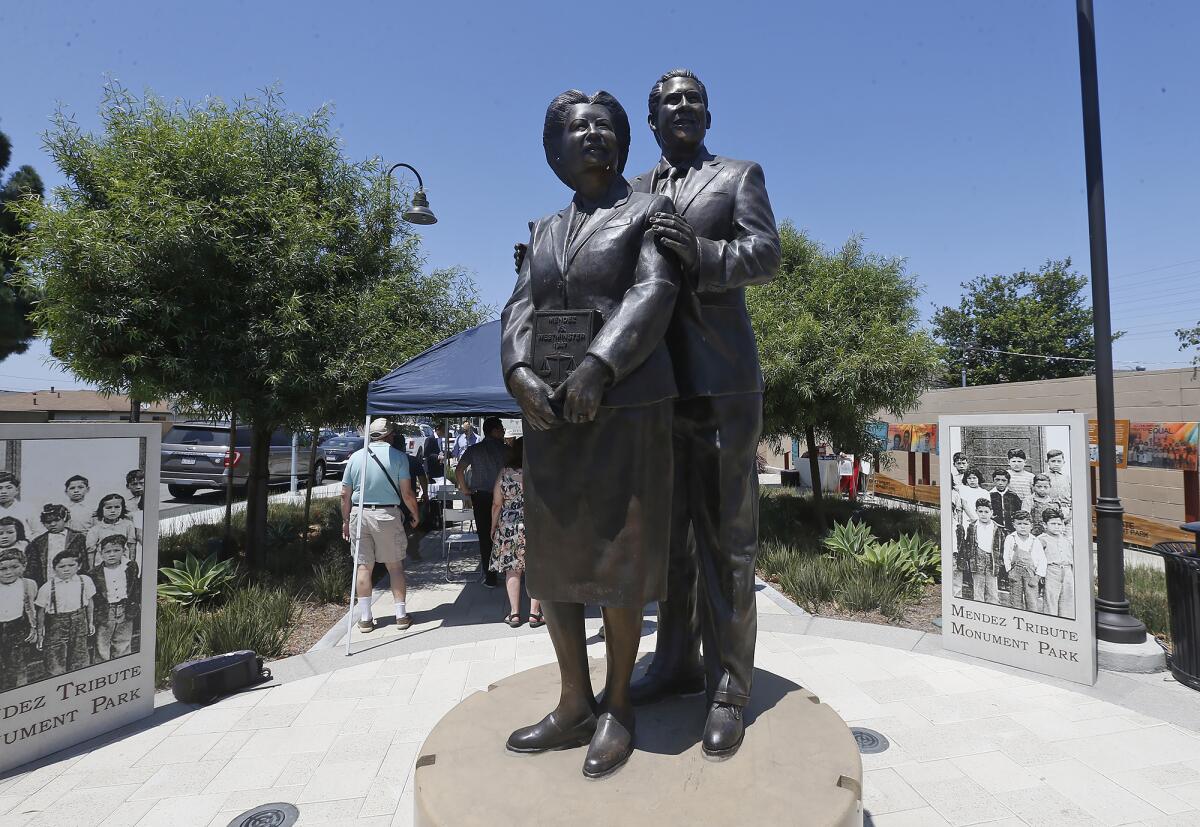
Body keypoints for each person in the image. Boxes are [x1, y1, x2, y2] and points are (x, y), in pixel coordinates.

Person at [501, 88, 680, 778]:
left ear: (622, 142)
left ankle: (617, 705)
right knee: (557, 561)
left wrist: (601, 365)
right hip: (551, 415)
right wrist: (518, 371)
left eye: (606, 125)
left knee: (618, 562)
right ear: (555, 151)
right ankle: (573, 699)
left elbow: (654, 291)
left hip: (627, 405)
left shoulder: (647, 210)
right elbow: (520, 305)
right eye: (578, 127)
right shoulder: (544, 228)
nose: (594, 134)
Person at [624, 68, 780, 759]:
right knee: (669, 544)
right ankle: (675, 660)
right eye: (670, 102)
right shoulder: (633, 192)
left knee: (726, 542)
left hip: (721, 384)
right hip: (656, 387)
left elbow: (766, 253)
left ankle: (728, 685)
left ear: (708, 116)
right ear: (652, 121)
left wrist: (706, 254)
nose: (684, 107)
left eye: (694, 99)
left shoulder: (739, 175)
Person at [341, 418, 420, 633]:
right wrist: (415, 513)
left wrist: (346, 521)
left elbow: (344, 495)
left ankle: (365, 618)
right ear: (390, 435)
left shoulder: (355, 458)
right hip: (387, 514)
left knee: (364, 567)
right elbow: (407, 493)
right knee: (394, 566)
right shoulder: (399, 457)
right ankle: (401, 615)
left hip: (359, 513)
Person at [489, 438, 541, 628]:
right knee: (536, 568)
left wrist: (493, 527)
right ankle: (535, 614)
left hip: (509, 526)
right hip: (535, 525)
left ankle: (515, 614)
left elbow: (497, 504)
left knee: (512, 569)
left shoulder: (505, 473)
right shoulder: (537, 472)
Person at [455, 417, 508, 589]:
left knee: (485, 537)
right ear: (494, 430)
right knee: (506, 533)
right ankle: (509, 572)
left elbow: (459, 470)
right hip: (504, 498)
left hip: (481, 497)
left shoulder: (474, 449)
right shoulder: (507, 450)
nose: (503, 431)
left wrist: (465, 489)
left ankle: (490, 576)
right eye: (501, 428)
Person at [35, 549, 95, 675]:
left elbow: (89, 602)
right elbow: (40, 613)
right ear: (54, 569)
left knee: (80, 655)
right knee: (55, 659)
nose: (66, 569)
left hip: (79, 621)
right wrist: (40, 634)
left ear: (79, 566)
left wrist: (90, 622)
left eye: (71, 565)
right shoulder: (47, 587)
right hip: (56, 625)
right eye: (61, 566)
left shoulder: (85, 581)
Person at [92, 534, 140, 661]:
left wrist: (134, 606)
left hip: (125, 609)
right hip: (106, 611)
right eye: (107, 552)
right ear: (101, 553)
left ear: (124, 551)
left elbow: (134, 588)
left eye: (116, 550)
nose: (111, 554)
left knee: (123, 640)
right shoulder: (95, 573)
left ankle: (122, 663)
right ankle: (102, 667)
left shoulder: (131, 567)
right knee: (102, 642)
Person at [0, 548, 37, 691]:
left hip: (17, 628)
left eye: (14, 567)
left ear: (24, 566)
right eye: (2, 569)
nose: (8, 572)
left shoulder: (28, 584)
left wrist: (34, 628)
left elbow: (32, 607)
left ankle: (20, 691)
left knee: (18, 663)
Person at [26, 504, 89, 587]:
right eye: (48, 522)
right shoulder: (38, 542)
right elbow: (33, 566)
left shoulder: (77, 537)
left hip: (74, 579)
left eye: (57, 520)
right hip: (49, 579)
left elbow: (84, 561)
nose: (52, 524)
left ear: (64, 519)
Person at [1002, 511, 1045, 612]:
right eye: (1019, 524)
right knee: (1015, 600)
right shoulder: (1010, 538)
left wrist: (1037, 577)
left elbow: (1042, 560)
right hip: (1015, 573)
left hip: (1030, 574)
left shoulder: (1035, 540)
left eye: (1025, 524)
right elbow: (1006, 556)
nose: (1022, 527)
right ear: (1014, 525)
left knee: (1032, 601)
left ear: (1031, 525)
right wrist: (1009, 571)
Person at [963, 500, 1004, 605]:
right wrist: (970, 559)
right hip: (977, 560)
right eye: (980, 511)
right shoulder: (972, 527)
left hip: (992, 562)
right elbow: (968, 544)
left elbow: (1001, 547)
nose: (983, 514)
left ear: (991, 512)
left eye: (986, 512)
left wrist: (999, 562)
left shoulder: (997, 528)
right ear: (976, 511)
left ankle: (993, 611)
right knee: (978, 589)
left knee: (992, 591)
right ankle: (979, 610)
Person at [1039, 509, 1074, 619]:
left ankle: (1065, 623)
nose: (1057, 526)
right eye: (1053, 524)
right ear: (1045, 525)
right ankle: (1050, 623)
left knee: (1067, 600)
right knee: (1051, 600)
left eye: (1059, 524)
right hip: (1051, 571)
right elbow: (1038, 560)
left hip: (1067, 571)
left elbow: (1070, 558)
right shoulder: (1041, 540)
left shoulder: (1066, 540)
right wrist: (1041, 575)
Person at [86, 494, 137, 569]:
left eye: (117, 507)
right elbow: (91, 552)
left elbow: (131, 546)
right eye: (108, 508)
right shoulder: (95, 530)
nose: (113, 511)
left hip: (123, 566)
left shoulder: (128, 525)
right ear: (101, 509)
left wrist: (132, 564)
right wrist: (92, 569)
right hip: (102, 567)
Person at [0, 472, 37, 538]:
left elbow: (38, 532)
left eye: (8, 487)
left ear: (17, 490)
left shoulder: (27, 508)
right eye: (0, 488)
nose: (3, 492)